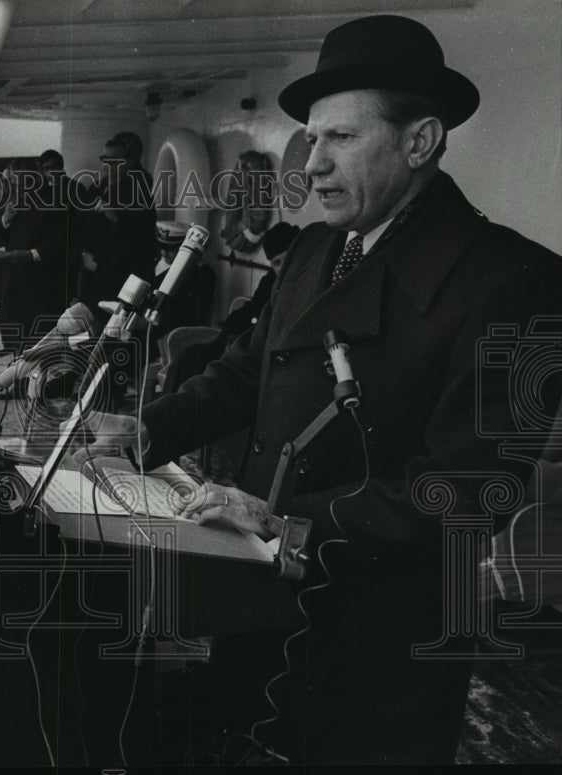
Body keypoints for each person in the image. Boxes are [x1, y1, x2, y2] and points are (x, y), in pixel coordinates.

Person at [73, 14, 562, 764]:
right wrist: (145, 431)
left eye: (341, 139)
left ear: (420, 141)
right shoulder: (313, 250)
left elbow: (469, 489)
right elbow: (245, 372)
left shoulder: (517, 283)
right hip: (263, 598)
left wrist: (281, 520)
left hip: (382, 637)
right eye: (312, 139)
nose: (313, 166)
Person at [163, 222, 300, 393]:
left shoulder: (305, 283)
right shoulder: (271, 280)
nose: (283, 268)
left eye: (287, 260)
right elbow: (252, 308)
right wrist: (229, 334)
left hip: (259, 354)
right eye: (277, 263)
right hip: (237, 341)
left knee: (217, 378)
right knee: (188, 359)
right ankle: (166, 414)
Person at [0, 155, 69, 354]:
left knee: (40, 345)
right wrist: (5, 221)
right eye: (14, 184)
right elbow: (1, 237)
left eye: (21, 183)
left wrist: (31, 255)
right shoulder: (15, 200)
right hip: (15, 282)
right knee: (18, 343)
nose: (17, 189)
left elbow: (62, 242)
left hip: (42, 283)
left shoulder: (55, 201)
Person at [76, 132, 157, 310]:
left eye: (115, 160)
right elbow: (79, 227)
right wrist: (82, 254)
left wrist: (116, 217)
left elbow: (146, 231)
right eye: (105, 158)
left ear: (125, 162)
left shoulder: (139, 189)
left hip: (119, 275)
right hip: (92, 274)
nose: (108, 164)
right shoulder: (95, 188)